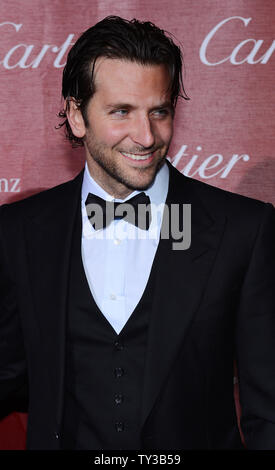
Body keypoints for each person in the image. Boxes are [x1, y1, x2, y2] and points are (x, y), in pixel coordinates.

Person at [0, 15, 274, 451]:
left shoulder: (243, 230)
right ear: (76, 116)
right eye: (122, 111)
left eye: (159, 112)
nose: (146, 136)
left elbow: (268, 410)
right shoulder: (19, 232)